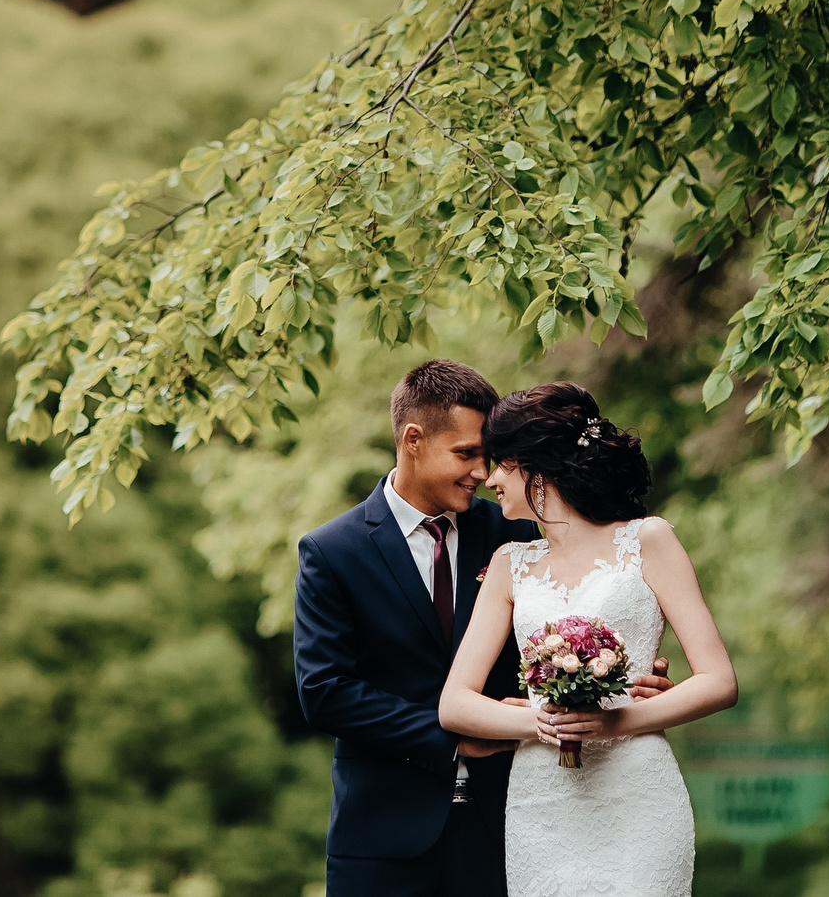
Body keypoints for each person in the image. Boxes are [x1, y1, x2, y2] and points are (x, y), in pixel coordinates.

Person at [292, 362, 670, 897]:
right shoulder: (333, 551)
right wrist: (453, 737)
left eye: (487, 457)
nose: (481, 472)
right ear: (413, 440)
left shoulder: (517, 535)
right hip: (382, 837)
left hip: (512, 824)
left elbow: (578, 626)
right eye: (466, 454)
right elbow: (325, 692)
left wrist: (628, 676)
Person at [438, 382, 736, 897]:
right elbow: (455, 705)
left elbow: (718, 681)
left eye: (501, 464)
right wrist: (541, 721)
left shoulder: (649, 540)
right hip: (542, 806)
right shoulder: (511, 565)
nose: (487, 479)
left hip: (638, 799)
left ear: (537, 468)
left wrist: (616, 720)